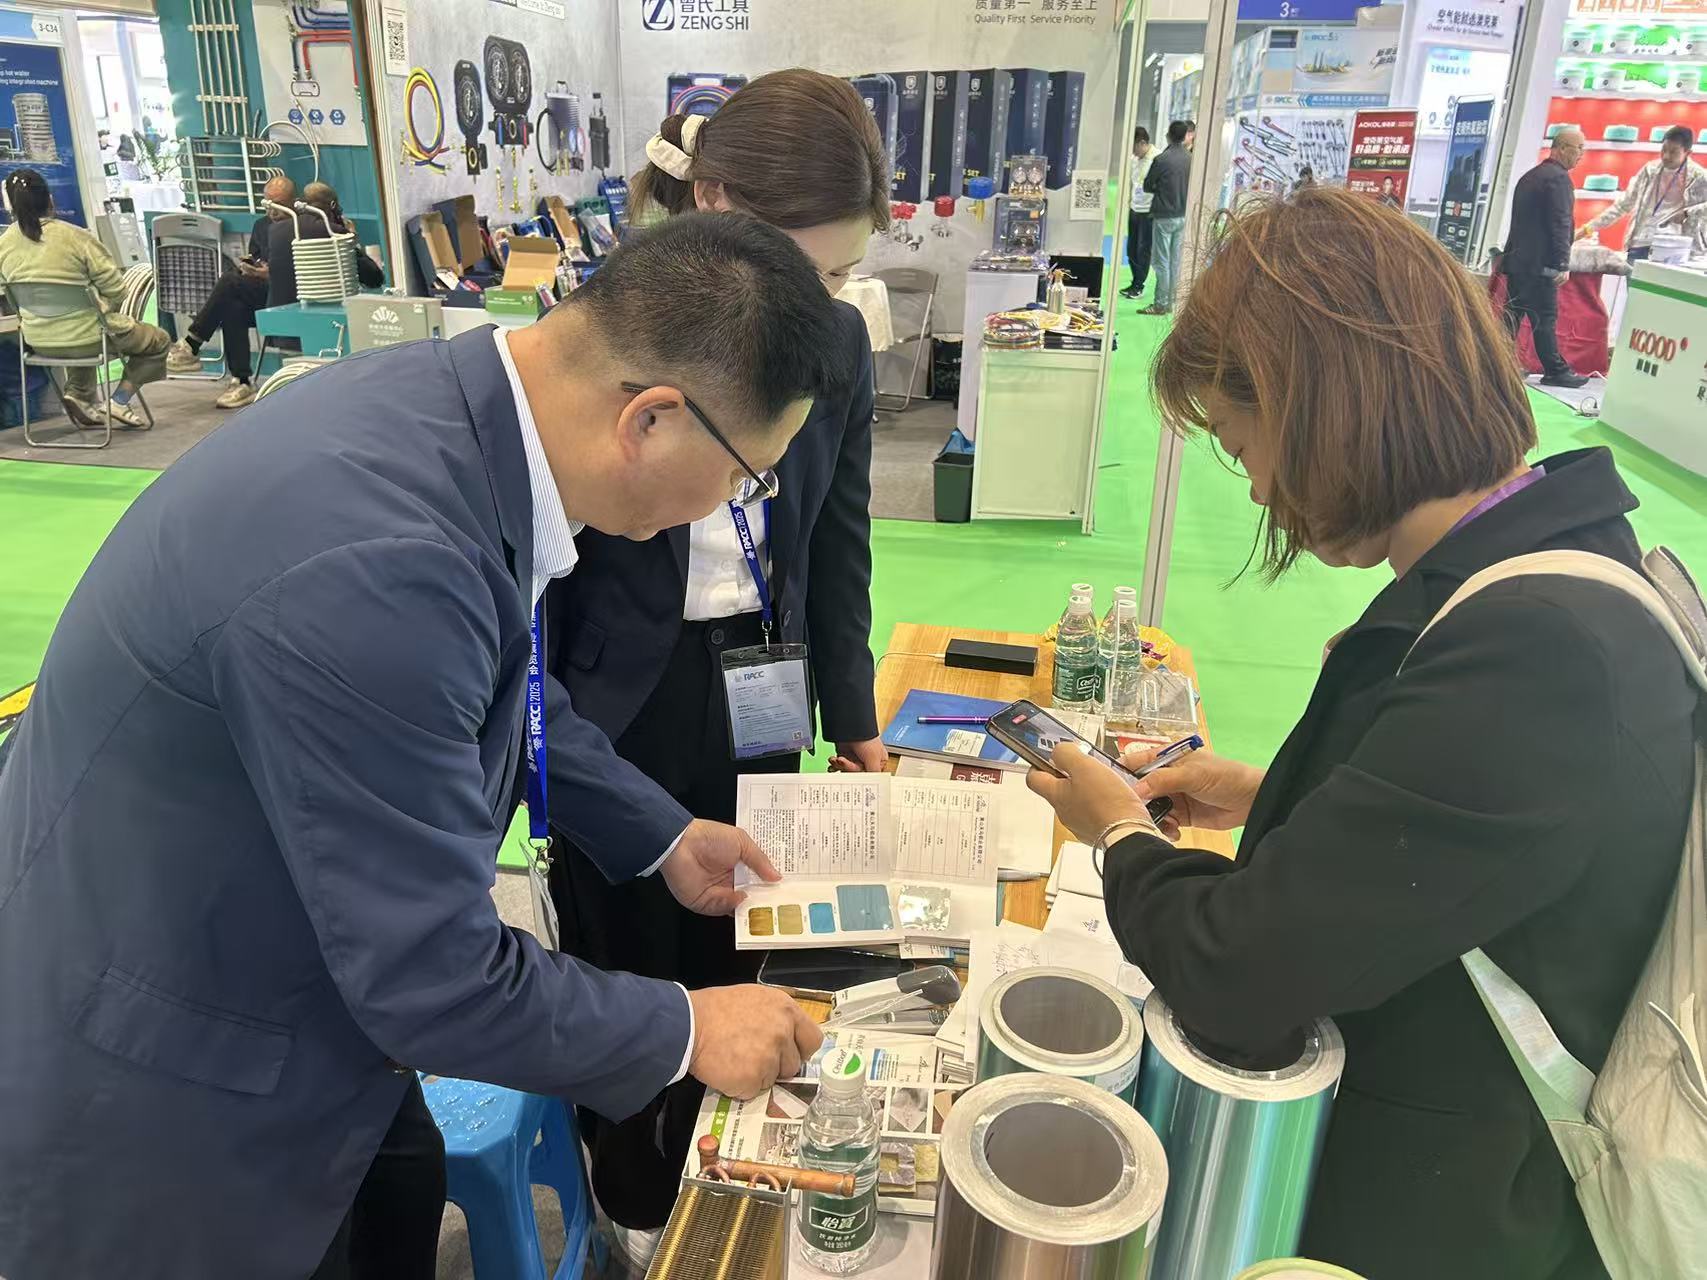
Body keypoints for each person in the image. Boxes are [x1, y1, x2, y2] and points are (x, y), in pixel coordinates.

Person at [0, 213, 840, 1280]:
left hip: (310, 982)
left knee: (398, 1199)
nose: (735, 502)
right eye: (746, 476)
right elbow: (434, 976)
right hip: (179, 1076)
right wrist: (684, 1027)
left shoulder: (457, 412)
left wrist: (660, 833)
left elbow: (497, 688)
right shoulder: (377, 556)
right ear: (652, 419)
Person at [1028, 187, 1692, 1279]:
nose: (1258, 489)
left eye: (1243, 444)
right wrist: (1278, 792)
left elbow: (1236, 969)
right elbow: (1472, 848)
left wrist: (1120, 833)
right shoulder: (1551, 571)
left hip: (1448, 1213)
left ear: (1318, 412)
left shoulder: (1536, 645)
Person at [541, 67, 888, 1239]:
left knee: (750, 918)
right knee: (630, 939)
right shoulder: (610, 326)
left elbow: (839, 538)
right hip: (618, 695)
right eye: (802, 265)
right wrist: (543, 739)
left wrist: (855, 714)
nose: (816, 301)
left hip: (762, 676)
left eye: (836, 275)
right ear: (716, 201)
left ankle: (734, 1174)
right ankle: (634, 1197)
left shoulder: (837, 343)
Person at [0, 168, 170, 429]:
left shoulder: (4, 244)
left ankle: (78, 394)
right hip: (89, 336)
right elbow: (117, 289)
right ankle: (119, 401)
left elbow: (11, 299)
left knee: (80, 328)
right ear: (50, 200)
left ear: (11, 206)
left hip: (38, 342)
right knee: (158, 341)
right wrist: (104, 305)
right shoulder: (77, 237)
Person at [165, 174, 297, 407]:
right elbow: (256, 257)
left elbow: (300, 269)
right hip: (263, 294)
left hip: (289, 295)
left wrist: (269, 273)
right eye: (268, 205)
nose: (272, 211)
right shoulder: (261, 226)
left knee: (229, 282)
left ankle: (192, 342)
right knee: (232, 306)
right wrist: (252, 268)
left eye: (278, 205)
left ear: (292, 202)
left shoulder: (300, 227)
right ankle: (241, 381)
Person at [1503, 127, 1588, 389]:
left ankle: (1497, 363)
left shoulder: (1530, 177)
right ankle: (1555, 370)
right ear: (1561, 148)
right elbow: (1560, 223)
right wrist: (1561, 263)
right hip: (1540, 266)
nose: (1581, 155)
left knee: (1512, 317)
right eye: (1578, 148)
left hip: (1518, 261)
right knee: (1544, 319)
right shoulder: (1559, 179)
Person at [1577, 124, 1707, 260]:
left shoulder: (1699, 177)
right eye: (1664, 150)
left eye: (1673, 152)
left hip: (1675, 248)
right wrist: (1587, 229)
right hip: (1640, 243)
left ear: (1687, 153)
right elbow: (1623, 205)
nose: (1666, 156)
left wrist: (1687, 213)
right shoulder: (1649, 170)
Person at [1142, 119, 1193, 316]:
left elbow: (1147, 186)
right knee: (1175, 261)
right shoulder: (1190, 159)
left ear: (1169, 136)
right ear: (1185, 136)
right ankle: (1172, 302)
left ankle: (1160, 304)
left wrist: (1160, 188)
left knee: (1161, 261)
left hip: (1164, 216)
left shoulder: (1161, 159)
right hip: (1183, 215)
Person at [1122, 125, 1156, 300]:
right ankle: (1134, 280)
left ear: (1142, 143)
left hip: (1148, 211)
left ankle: (1139, 285)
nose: (1133, 152)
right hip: (1134, 208)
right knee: (1131, 248)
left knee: (1143, 249)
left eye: (1134, 147)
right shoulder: (1134, 159)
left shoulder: (1156, 159)